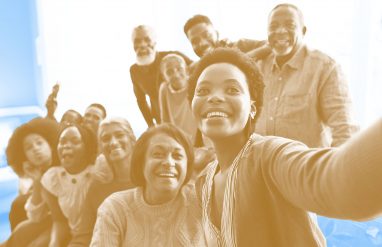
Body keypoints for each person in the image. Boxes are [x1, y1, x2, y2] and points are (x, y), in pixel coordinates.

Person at [187, 47, 382, 246]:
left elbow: (340, 183)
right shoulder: (204, 181)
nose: (214, 97)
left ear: (252, 109)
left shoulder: (270, 156)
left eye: (232, 90)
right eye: (203, 91)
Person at [255, 3, 358, 147]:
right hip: (259, 167)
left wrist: (330, 168)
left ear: (303, 31)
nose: (280, 31)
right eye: (273, 26)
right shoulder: (257, 66)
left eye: (289, 25)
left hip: (305, 168)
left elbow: (345, 130)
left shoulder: (325, 68)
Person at [90, 123, 206, 246]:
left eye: (177, 156)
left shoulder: (202, 200)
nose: (168, 162)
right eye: (158, 154)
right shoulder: (115, 208)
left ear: (187, 165)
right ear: (141, 162)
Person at [69, 117, 136, 246]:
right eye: (106, 139)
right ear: (101, 147)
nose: (113, 142)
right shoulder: (98, 186)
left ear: (132, 139)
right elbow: (84, 235)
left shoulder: (149, 180)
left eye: (119, 135)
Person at [5, 117, 60, 246]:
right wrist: (36, 180)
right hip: (49, 221)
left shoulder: (64, 167)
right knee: (20, 232)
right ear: (25, 156)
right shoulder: (39, 174)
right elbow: (35, 217)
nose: (35, 149)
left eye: (39, 143)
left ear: (50, 145)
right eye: (29, 148)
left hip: (68, 225)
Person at [41, 123, 97, 246]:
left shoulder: (98, 175)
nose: (66, 146)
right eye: (62, 141)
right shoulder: (53, 178)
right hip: (74, 236)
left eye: (75, 141)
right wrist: (54, 243)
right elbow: (59, 220)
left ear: (87, 147)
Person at [130, 25, 192, 127]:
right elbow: (141, 101)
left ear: (155, 42)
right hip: (163, 123)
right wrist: (151, 125)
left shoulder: (174, 58)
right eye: (137, 41)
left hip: (188, 118)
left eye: (147, 39)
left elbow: (198, 70)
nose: (142, 45)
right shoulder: (134, 71)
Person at [184, 14, 270, 60]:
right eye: (195, 41)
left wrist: (240, 60)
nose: (202, 43)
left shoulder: (241, 45)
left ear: (217, 34)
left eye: (207, 35)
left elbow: (271, 45)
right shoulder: (200, 71)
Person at [159, 54, 198, 142]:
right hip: (179, 139)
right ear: (164, 77)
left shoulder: (194, 84)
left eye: (179, 69)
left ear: (187, 71)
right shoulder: (164, 89)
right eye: (169, 72)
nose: (176, 75)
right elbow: (165, 120)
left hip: (198, 135)